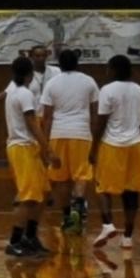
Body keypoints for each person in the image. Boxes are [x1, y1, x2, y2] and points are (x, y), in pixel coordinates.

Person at [92, 54, 140, 250]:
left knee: (102, 188)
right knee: (131, 191)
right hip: (135, 145)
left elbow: (101, 122)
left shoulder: (107, 90)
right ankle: (128, 236)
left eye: (109, 68)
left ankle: (108, 224)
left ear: (115, 69)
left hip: (112, 145)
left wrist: (93, 148)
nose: (107, 71)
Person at [39, 49, 99, 233]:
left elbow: (47, 117)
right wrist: (95, 138)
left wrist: (46, 144)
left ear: (59, 64)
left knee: (61, 180)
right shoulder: (89, 81)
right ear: (77, 62)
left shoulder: (52, 83)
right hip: (81, 133)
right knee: (81, 176)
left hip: (58, 133)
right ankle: (78, 208)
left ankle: (66, 216)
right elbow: (95, 113)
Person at [2, 55, 52, 258]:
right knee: (28, 196)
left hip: (27, 147)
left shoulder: (14, 91)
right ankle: (14, 241)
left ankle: (30, 237)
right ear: (30, 74)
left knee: (44, 194)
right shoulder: (24, 94)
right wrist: (47, 148)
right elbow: (32, 123)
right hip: (22, 147)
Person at [0, 44, 50, 112]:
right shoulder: (24, 74)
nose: (41, 58)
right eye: (37, 56)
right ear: (31, 57)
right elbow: (7, 91)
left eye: (43, 55)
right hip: (34, 114)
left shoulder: (56, 71)